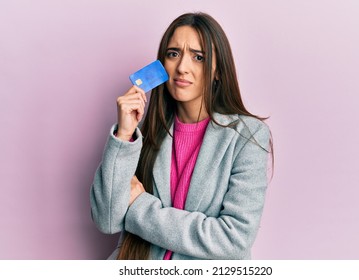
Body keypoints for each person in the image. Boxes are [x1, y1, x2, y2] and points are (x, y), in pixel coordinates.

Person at [90, 12, 273, 260]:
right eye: (173, 54)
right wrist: (123, 135)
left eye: (198, 57)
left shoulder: (246, 137)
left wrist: (139, 207)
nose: (182, 68)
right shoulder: (143, 135)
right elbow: (107, 220)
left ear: (218, 71)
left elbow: (233, 239)